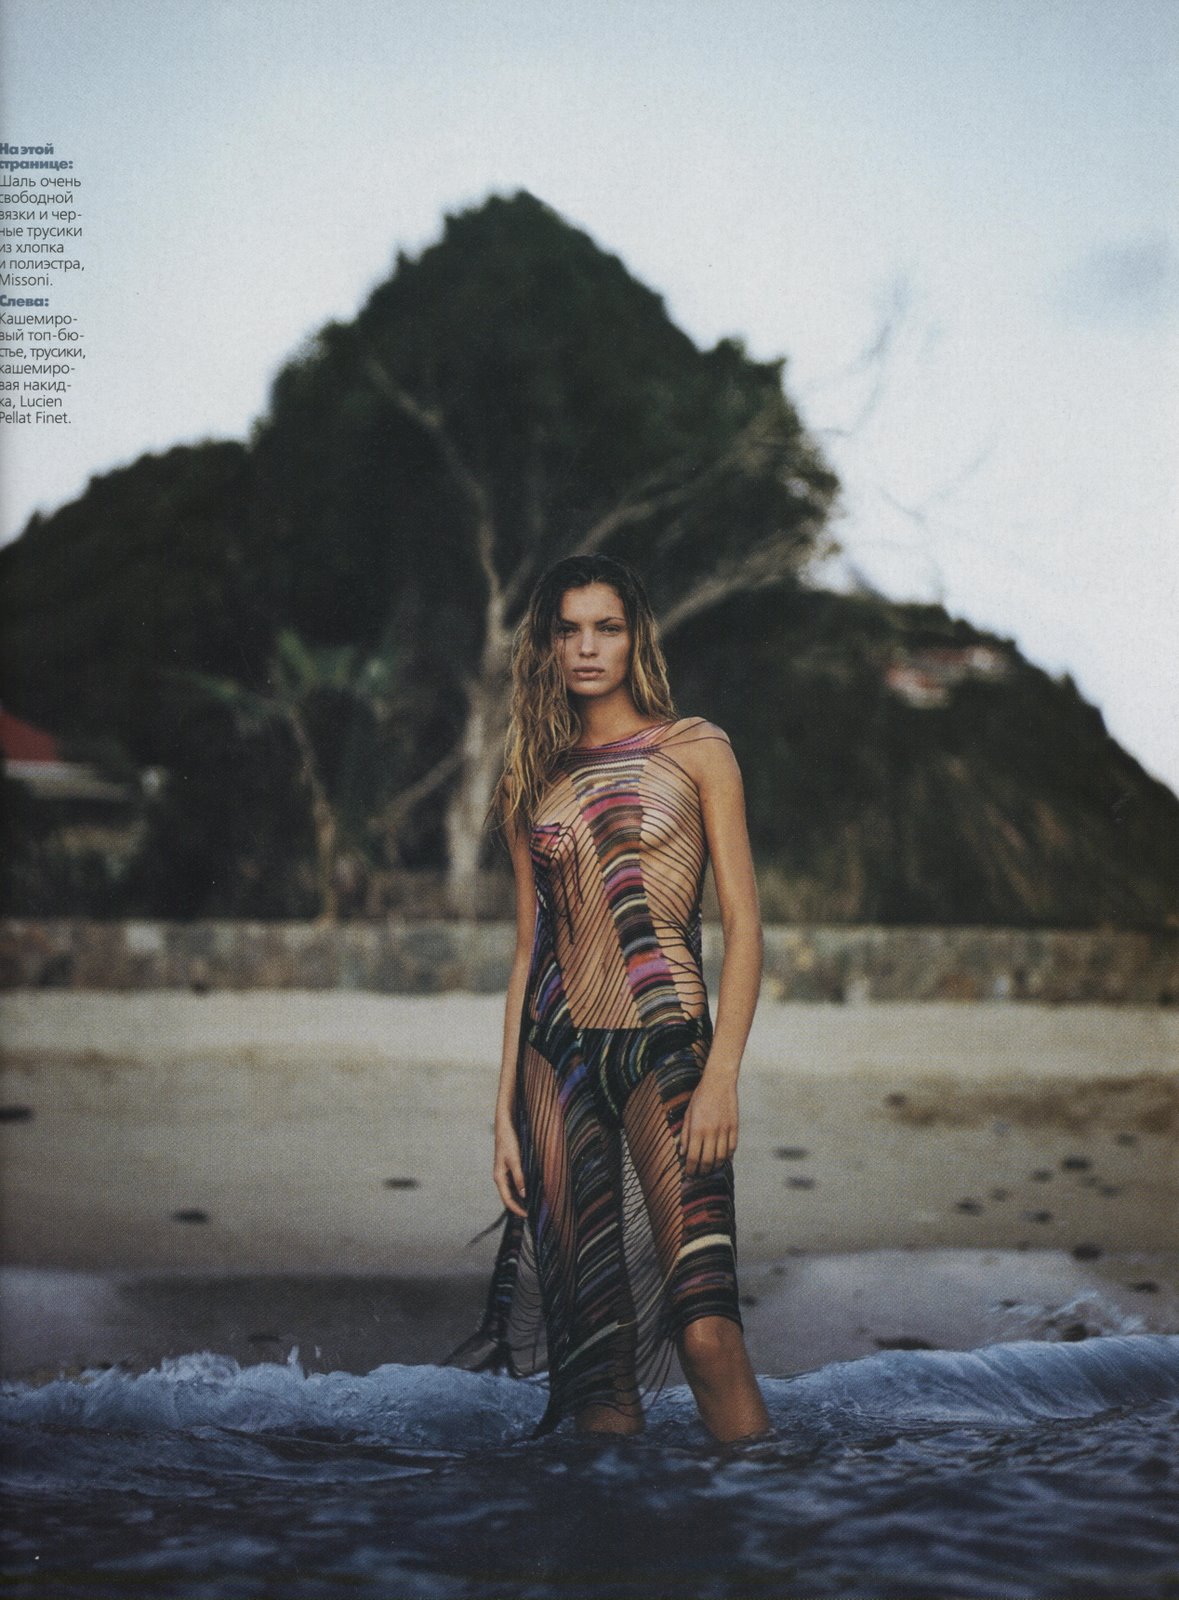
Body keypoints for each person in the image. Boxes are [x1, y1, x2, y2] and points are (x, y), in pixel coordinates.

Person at [448, 554, 771, 1442]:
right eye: (569, 630)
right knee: (596, 1366)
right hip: (555, 1060)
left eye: (607, 628)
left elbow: (744, 926)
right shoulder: (531, 778)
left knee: (706, 1335)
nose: (587, 648)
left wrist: (722, 1077)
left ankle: (762, 1516)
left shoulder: (696, 749)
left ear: (635, 640)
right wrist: (503, 1114)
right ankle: (610, 1523)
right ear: (547, 646)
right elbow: (528, 950)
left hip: (667, 1051)